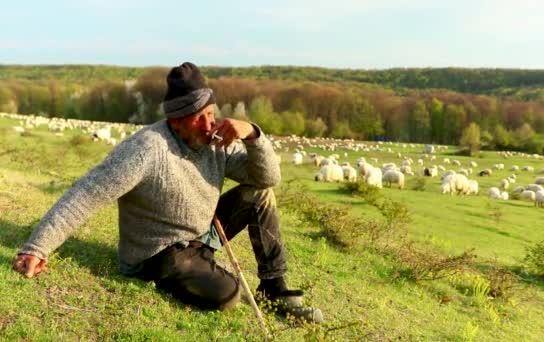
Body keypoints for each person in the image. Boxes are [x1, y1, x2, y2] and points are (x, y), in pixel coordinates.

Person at [12, 62, 322, 322]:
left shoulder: (215, 141)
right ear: (175, 121)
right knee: (228, 295)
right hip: (159, 253)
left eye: (211, 114)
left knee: (260, 194)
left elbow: (267, 178)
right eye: (198, 118)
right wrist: (37, 248)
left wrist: (252, 134)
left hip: (199, 236)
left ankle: (274, 288)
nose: (208, 124)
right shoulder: (146, 150)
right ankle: (203, 269)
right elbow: (86, 194)